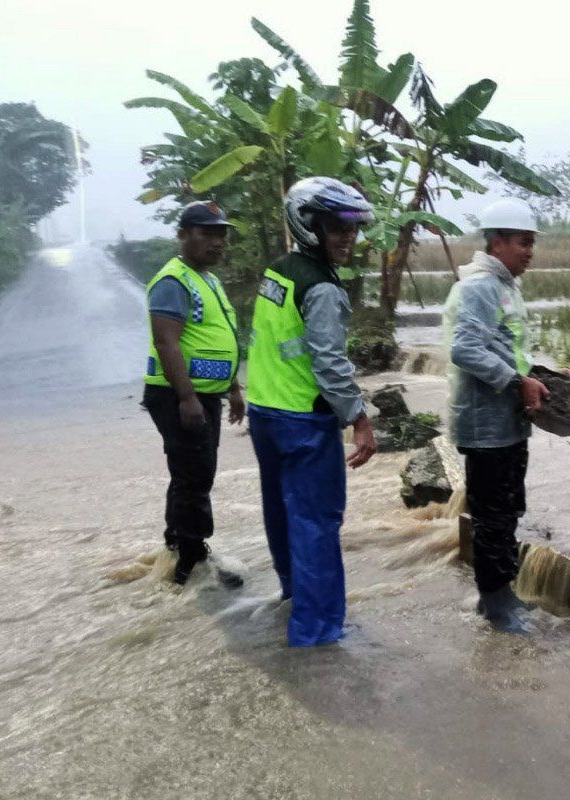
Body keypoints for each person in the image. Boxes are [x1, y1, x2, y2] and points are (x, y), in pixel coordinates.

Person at [245, 177, 377, 647]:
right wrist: (359, 418)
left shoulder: (279, 270)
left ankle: (294, 601)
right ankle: (318, 636)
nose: (348, 238)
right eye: (337, 227)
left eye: (353, 229)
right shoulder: (321, 287)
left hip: (265, 413)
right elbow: (330, 363)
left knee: (283, 515)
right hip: (303, 420)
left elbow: (270, 343)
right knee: (317, 526)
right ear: (308, 225)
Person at [443, 198, 549, 636]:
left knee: (507, 509)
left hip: (506, 423)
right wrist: (517, 382)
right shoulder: (480, 287)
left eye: (531, 244)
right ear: (498, 241)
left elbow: (509, 349)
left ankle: (501, 592)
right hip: (486, 427)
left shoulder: (505, 286)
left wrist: (540, 373)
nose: (529, 252)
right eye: (523, 243)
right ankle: (494, 602)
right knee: (492, 515)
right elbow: (464, 349)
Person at [142, 201, 246, 586]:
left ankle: (177, 549)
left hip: (204, 395)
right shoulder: (173, 281)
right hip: (177, 396)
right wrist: (186, 398)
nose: (217, 242)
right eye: (207, 233)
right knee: (195, 475)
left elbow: (216, 340)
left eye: (222, 234)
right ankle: (192, 563)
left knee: (192, 473)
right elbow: (167, 342)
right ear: (183, 235)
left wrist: (233, 388)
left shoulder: (207, 279)